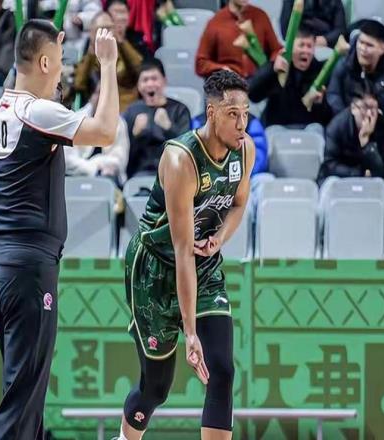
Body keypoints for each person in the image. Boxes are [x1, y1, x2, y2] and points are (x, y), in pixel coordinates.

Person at [0, 19, 119, 439]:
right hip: (29, 268)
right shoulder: (36, 112)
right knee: (21, 400)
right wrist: (108, 64)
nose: (63, 71)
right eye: (60, 61)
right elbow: (105, 131)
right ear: (44, 63)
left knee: (26, 396)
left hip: (3, 262)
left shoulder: (1, 107)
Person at [116, 69, 255, 440]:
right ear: (211, 113)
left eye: (245, 114)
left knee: (221, 369)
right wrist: (190, 333)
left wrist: (219, 239)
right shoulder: (181, 159)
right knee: (156, 388)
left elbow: (239, 202)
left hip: (203, 265)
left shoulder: (245, 150)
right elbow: (181, 252)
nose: (242, 124)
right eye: (232, 114)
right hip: (155, 269)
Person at [249, 24, 332, 128]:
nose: (305, 51)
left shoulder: (322, 72)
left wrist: (320, 103)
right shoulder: (276, 67)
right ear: (291, 46)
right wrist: (272, 71)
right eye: (301, 45)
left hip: (307, 129)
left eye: (309, 46)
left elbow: (329, 117)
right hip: (276, 127)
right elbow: (253, 95)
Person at [122, 58, 191, 178]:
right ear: (138, 85)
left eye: (154, 79)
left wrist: (168, 128)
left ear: (164, 81)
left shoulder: (180, 110)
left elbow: (187, 150)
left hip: (173, 173)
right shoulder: (131, 111)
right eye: (145, 80)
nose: (150, 84)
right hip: (139, 174)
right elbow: (123, 156)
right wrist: (135, 135)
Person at [318, 81, 384, 187]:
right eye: (365, 108)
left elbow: (383, 170)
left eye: (373, 108)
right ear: (353, 108)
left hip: (371, 181)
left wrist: (367, 145)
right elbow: (330, 165)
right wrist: (359, 173)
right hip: (341, 179)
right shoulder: (337, 126)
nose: (369, 114)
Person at [74, 11, 144, 110]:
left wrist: (121, 41)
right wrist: (92, 48)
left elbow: (139, 69)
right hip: (99, 108)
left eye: (108, 28)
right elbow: (78, 84)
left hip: (126, 107)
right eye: (101, 29)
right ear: (92, 32)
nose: (105, 33)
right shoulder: (90, 57)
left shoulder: (125, 51)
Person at [195, 0, 282, 79]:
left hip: (259, 81)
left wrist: (276, 62)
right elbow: (200, 63)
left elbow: (276, 50)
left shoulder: (260, 16)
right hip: (230, 82)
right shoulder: (216, 22)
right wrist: (222, 69)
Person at [65, 81, 130, 185]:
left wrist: (97, 161)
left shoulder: (120, 123)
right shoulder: (75, 119)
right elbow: (68, 160)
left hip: (107, 177)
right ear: (91, 96)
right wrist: (93, 169)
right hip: (78, 176)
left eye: (106, 94)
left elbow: (119, 160)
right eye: (98, 92)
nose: (102, 97)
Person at [280, 0, 347, 48]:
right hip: (299, 44)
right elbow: (285, 29)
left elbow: (341, 29)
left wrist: (325, 39)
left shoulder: (335, 2)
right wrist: (301, 40)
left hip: (324, 45)